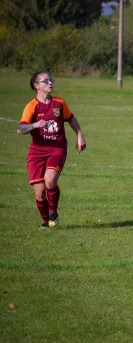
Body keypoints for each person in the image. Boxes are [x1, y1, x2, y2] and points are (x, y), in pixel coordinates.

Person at [17, 71, 86, 228]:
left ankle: (53, 212)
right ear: (36, 85)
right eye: (45, 81)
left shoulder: (59, 103)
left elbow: (71, 118)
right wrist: (35, 125)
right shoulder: (31, 106)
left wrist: (80, 136)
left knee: (50, 180)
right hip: (36, 151)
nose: (50, 83)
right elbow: (20, 129)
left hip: (57, 148)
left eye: (51, 80)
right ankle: (46, 222)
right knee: (40, 194)